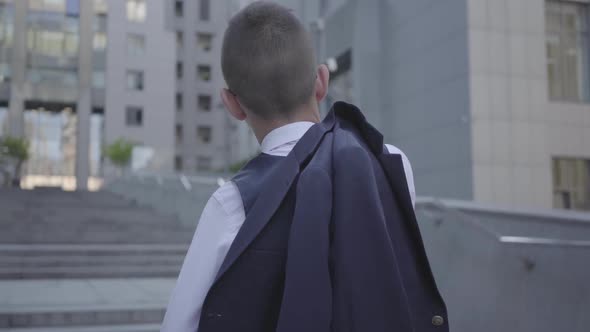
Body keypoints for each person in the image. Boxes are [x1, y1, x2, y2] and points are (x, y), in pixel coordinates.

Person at [161, 2, 447, 332]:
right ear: (321, 81)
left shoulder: (230, 206)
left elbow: (178, 325)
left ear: (232, 104)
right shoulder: (390, 163)